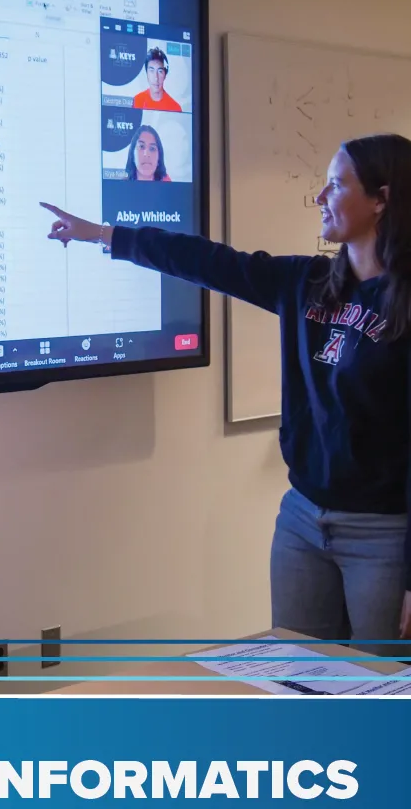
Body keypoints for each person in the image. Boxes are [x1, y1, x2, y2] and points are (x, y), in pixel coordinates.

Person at [41, 133, 411, 652]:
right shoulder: (306, 283)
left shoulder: (405, 307)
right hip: (303, 523)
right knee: (300, 680)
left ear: (381, 199)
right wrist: (105, 235)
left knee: (384, 694)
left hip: (385, 538)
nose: (320, 198)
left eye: (335, 185)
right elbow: (210, 261)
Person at [132, 47, 182, 112]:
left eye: (160, 71)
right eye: (151, 70)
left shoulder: (175, 108)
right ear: (146, 73)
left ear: (165, 75)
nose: (156, 78)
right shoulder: (137, 101)